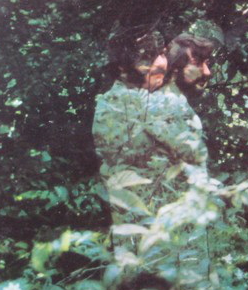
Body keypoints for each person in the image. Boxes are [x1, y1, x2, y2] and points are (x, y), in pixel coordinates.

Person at [92, 30, 214, 252]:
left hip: (151, 228)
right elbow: (194, 154)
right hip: (159, 229)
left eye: (162, 55)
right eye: (149, 59)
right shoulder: (148, 103)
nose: (160, 64)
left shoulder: (114, 101)